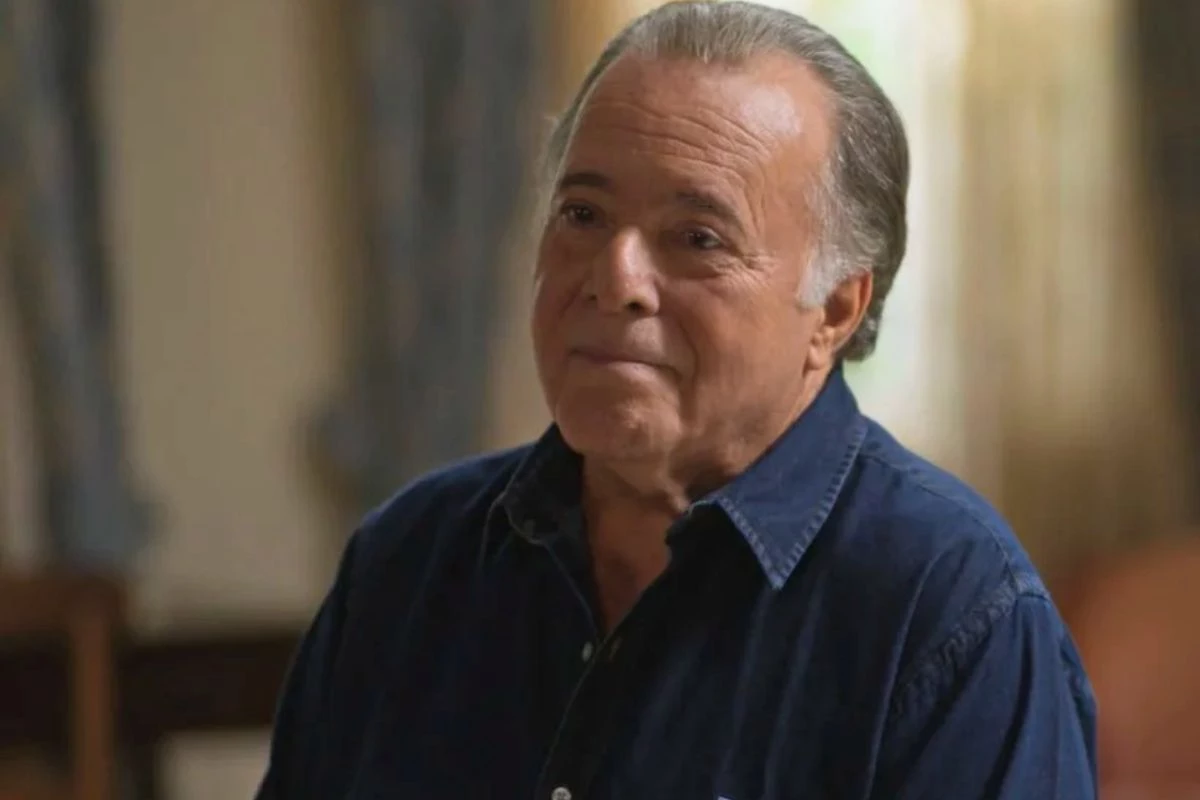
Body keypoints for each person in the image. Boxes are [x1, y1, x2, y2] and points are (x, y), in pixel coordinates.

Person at [257, 2, 1097, 798]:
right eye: (582, 214)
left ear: (835, 309)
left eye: (698, 238)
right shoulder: (410, 559)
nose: (614, 278)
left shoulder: (953, 613)